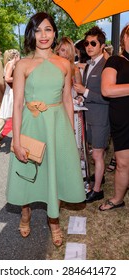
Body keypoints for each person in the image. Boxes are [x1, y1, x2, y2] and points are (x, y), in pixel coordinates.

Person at [6, 12, 86, 247]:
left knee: (56, 172)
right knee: (28, 173)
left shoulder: (64, 64)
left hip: (57, 126)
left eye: (48, 29)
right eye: (38, 30)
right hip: (32, 124)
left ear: (54, 33)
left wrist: (70, 136)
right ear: (32, 33)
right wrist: (18, 141)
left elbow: (68, 101)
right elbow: (18, 104)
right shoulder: (23, 64)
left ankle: (54, 221)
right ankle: (25, 212)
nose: (43, 35)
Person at [73, 26, 110, 203]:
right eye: (86, 43)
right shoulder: (89, 65)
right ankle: (97, 178)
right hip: (89, 117)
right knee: (95, 154)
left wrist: (85, 91)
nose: (88, 46)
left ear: (102, 45)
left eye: (93, 43)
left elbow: (107, 97)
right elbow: (87, 93)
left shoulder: (107, 66)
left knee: (96, 155)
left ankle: (97, 191)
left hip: (101, 119)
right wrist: (81, 98)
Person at [99, 24, 129, 211]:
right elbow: (107, 89)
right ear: (124, 38)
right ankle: (118, 199)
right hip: (124, 120)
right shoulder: (115, 61)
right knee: (123, 163)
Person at [0, 49, 20, 146]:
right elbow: (7, 78)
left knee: (5, 113)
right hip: (12, 91)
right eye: (19, 56)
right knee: (16, 114)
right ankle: (17, 138)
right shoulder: (11, 64)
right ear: (15, 56)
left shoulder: (9, 64)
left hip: (10, 91)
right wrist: (20, 78)